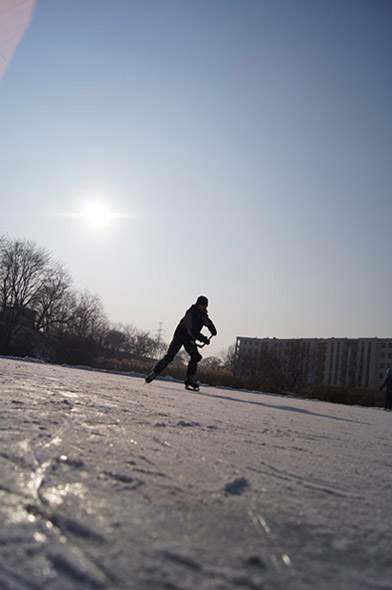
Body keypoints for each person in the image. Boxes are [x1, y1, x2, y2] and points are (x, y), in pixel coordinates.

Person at [145, 295, 217, 390]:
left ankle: (189, 379)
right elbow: (192, 331)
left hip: (189, 339)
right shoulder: (190, 314)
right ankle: (153, 373)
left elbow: (208, 323)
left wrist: (213, 330)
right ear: (198, 304)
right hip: (180, 336)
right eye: (202, 305)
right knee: (169, 356)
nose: (204, 307)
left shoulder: (203, 315)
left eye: (205, 306)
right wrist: (204, 339)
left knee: (196, 357)